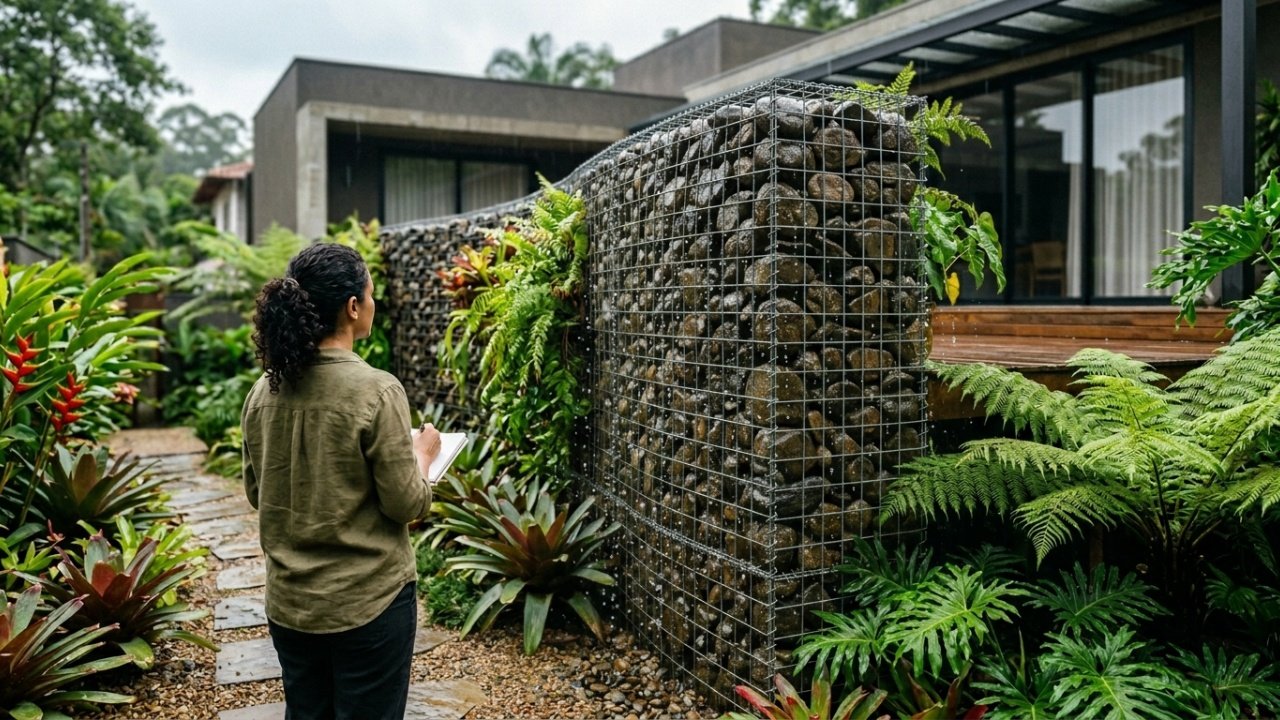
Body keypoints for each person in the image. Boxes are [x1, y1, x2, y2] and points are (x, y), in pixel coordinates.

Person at [240, 242, 440, 720]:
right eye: (370, 296)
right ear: (353, 307)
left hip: (290, 606)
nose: (372, 304)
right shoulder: (377, 389)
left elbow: (256, 492)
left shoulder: (263, 390)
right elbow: (405, 504)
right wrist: (423, 456)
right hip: (368, 605)